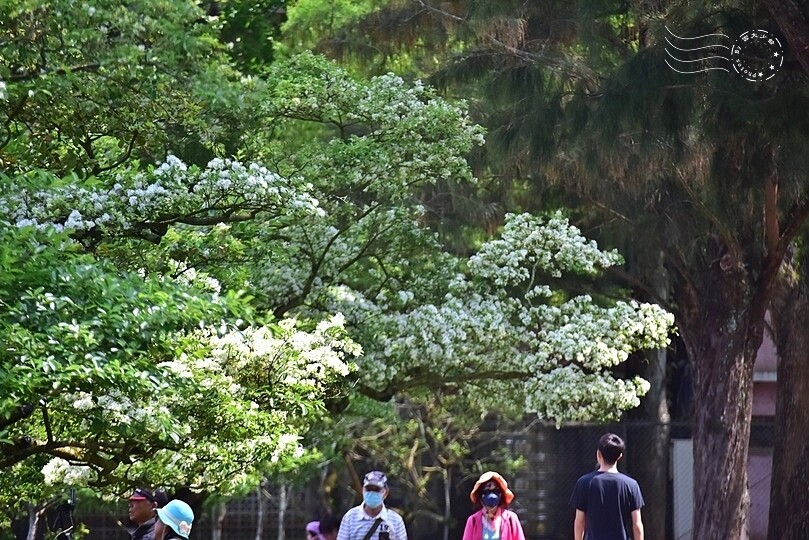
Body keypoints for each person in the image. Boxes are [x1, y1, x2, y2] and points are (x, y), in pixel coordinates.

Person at [569, 433, 644, 540]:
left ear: (598, 454)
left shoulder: (584, 483)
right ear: (619, 456)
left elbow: (580, 522)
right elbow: (637, 524)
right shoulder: (631, 485)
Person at [336, 471, 408, 540]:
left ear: (385, 493)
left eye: (377, 489)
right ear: (363, 490)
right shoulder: (350, 517)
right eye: (368, 489)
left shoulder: (396, 521)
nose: (372, 492)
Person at [461, 471, 526, 540]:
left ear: (501, 494)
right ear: (480, 495)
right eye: (487, 491)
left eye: (496, 491)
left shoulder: (510, 519)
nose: (492, 495)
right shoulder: (473, 521)